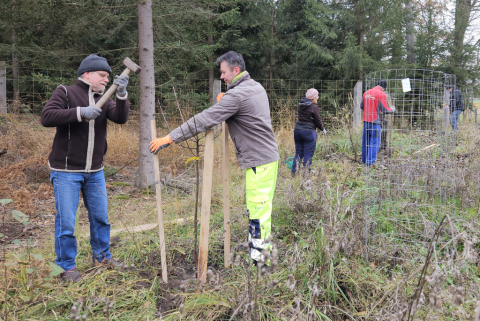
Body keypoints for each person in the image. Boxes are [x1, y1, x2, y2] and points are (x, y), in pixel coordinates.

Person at [149, 51, 279, 266]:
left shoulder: (237, 95)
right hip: (267, 157)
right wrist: (227, 98)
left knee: (258, 210)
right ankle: (259, 252)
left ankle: (261, 263)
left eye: (224, 72)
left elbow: (205, 119)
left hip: (259, 161)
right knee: (261, 207)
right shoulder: (254, 86)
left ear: (236, 70)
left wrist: (170, 137)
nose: (221, 77)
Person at [41, 54, 130, 282]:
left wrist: (120, 95)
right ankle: (66, 267)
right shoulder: (66, 92)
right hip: (66, 172)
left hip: (95, 171)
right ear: (87, 74)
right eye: (102, 75)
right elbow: (47, 117)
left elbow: (120, 118)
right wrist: (80, 112)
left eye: (108, 77)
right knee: (67, 223)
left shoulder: (105, 97)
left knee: (101, 218)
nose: (106, 81)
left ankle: (102, 258)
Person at [291, 88, 326, 175]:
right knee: (308, 153)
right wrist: (322, 129)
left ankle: (294, 172)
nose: (317, 98)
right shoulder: (314, 107)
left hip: (297, 131)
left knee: (298, 153)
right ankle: (306, 174)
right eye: (316, 96)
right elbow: (317, 120)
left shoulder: (301, 105)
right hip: (308, 132)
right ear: (312, 97)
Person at [361, 80, 395, 165]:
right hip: (375, 123)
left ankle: (364, 160)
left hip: (365, 121)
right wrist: (392, 109)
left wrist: (371, 108)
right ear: (383, 88)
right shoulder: (381, 94)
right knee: (375, 142)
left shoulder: (366, 93)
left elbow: (362, 106)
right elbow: (385, 110)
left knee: (366, 141)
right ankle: (370, 162)